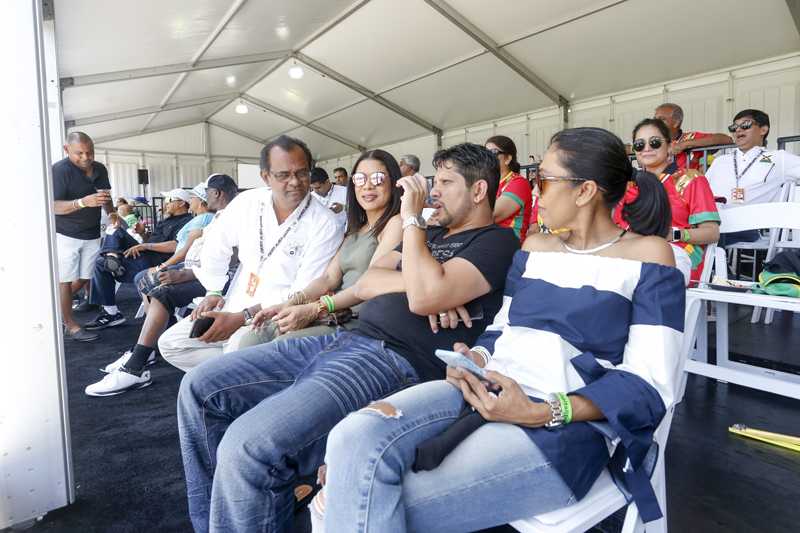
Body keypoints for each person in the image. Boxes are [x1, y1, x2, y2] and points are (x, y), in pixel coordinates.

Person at [315, 127, 685, 532]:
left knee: (361, 494)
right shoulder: (534, 248)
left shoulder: (649, 256)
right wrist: (475, 357)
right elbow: (502, 329)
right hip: (487, 387)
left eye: (542, 179)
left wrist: (540, 411)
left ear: (584, 191)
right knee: (351, 437)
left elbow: (651, 384)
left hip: (563, 425)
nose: (532, 189)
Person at [176, 142, 519, 532]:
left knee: (246, 447)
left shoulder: (495, 242)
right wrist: (426, 281)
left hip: (392, 360)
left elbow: (425, 296)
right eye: (433, 181)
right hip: (344, 339)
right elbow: (371, 279)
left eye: (445, 182)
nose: (433, 191)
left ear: (478, 191)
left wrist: (414, 234)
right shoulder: (432, 235)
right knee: (198, 387)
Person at [157, 135, 343, 371]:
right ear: (265, 177)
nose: (295, 182)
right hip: (234, 302)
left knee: (236, 350)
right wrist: (214, 290)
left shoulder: (325, 223)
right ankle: (240, 372)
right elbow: (216, 243)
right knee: (171, 344)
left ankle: (235, 373)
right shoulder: (248, 202)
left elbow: (304, 291)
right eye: (283, 175)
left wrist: (241, 318)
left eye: (302, 173)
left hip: (274, 316)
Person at [84, 175, 239, 396]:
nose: (203, 198)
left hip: (220, 282)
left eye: (205, 193)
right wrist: (184, 272)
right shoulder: (220, 217)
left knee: (161, 292)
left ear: (216, 194)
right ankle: (145, 351)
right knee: (150, 283)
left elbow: (231, 260)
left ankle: (135, 366)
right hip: (203, 275)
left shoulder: (234, 218)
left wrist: (185, 273)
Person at [237, 150, 403, 348]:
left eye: (377, 178)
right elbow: (328, 279)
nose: (367, 185)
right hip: (329, 311)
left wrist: (315, 308)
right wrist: (289, 304)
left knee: (281, 345)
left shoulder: (396, 223)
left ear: (394, 182)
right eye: (360, 178)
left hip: (355, 321)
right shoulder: (356, 228)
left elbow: (369, 284)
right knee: (255, 336)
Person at [619, 118, 720, 281]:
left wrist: (673, 234)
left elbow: (712, 232)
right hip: (633, 252)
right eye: (639, 144)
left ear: (671, 146)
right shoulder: (629, 186)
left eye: (654, 142)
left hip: (677, 252)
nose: (646, 148)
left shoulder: (691, 179)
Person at [84, 189, 193, 331]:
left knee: (102, 262)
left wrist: (144, 245)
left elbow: (177, 246)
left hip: (157, 262)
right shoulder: (166, 220)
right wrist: (142, 233)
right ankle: (112, 259)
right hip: (146, 254)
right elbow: (152, 242)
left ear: (181, 203)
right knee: (114, 229)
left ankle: (113, 262)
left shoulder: (187, 222)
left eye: (169, 200)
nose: (166, 204)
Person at [706, 109, 800, 247]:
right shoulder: (720, 160)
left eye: (745, 125)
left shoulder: (777, 158)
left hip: (747, 225)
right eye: (734, 127)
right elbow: (702, 190)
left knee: (703, 235)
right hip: (713, 220)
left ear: (763, 130)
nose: (738, 130)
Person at [53, 131, 113, 342]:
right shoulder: (59, 171)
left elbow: (105, 195)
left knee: (86, 277)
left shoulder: (99, 168)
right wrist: (81, 202)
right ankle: (70, 324)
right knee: (64, 280)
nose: (86, 157)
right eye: (80, 153)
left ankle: (57, 308)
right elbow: (52, 206)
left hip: (92, 233)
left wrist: (112, 212)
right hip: (65, 234)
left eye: (90, 152)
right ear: (66, 150)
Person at [654, 103, 732, 171]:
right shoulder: (649, 141)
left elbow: (726, 139)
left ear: (676, 123)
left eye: (662, 119)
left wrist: (684, 145)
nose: (656, 123)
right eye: (655, 119)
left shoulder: (690, 138)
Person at [485, 135, 533, 242]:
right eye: (485, 153)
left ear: (508, 159)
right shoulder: (488, 184)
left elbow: (490, 216)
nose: (487, 158)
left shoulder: (519, 183)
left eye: (493, 153)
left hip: (510, 246)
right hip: (489, 241)